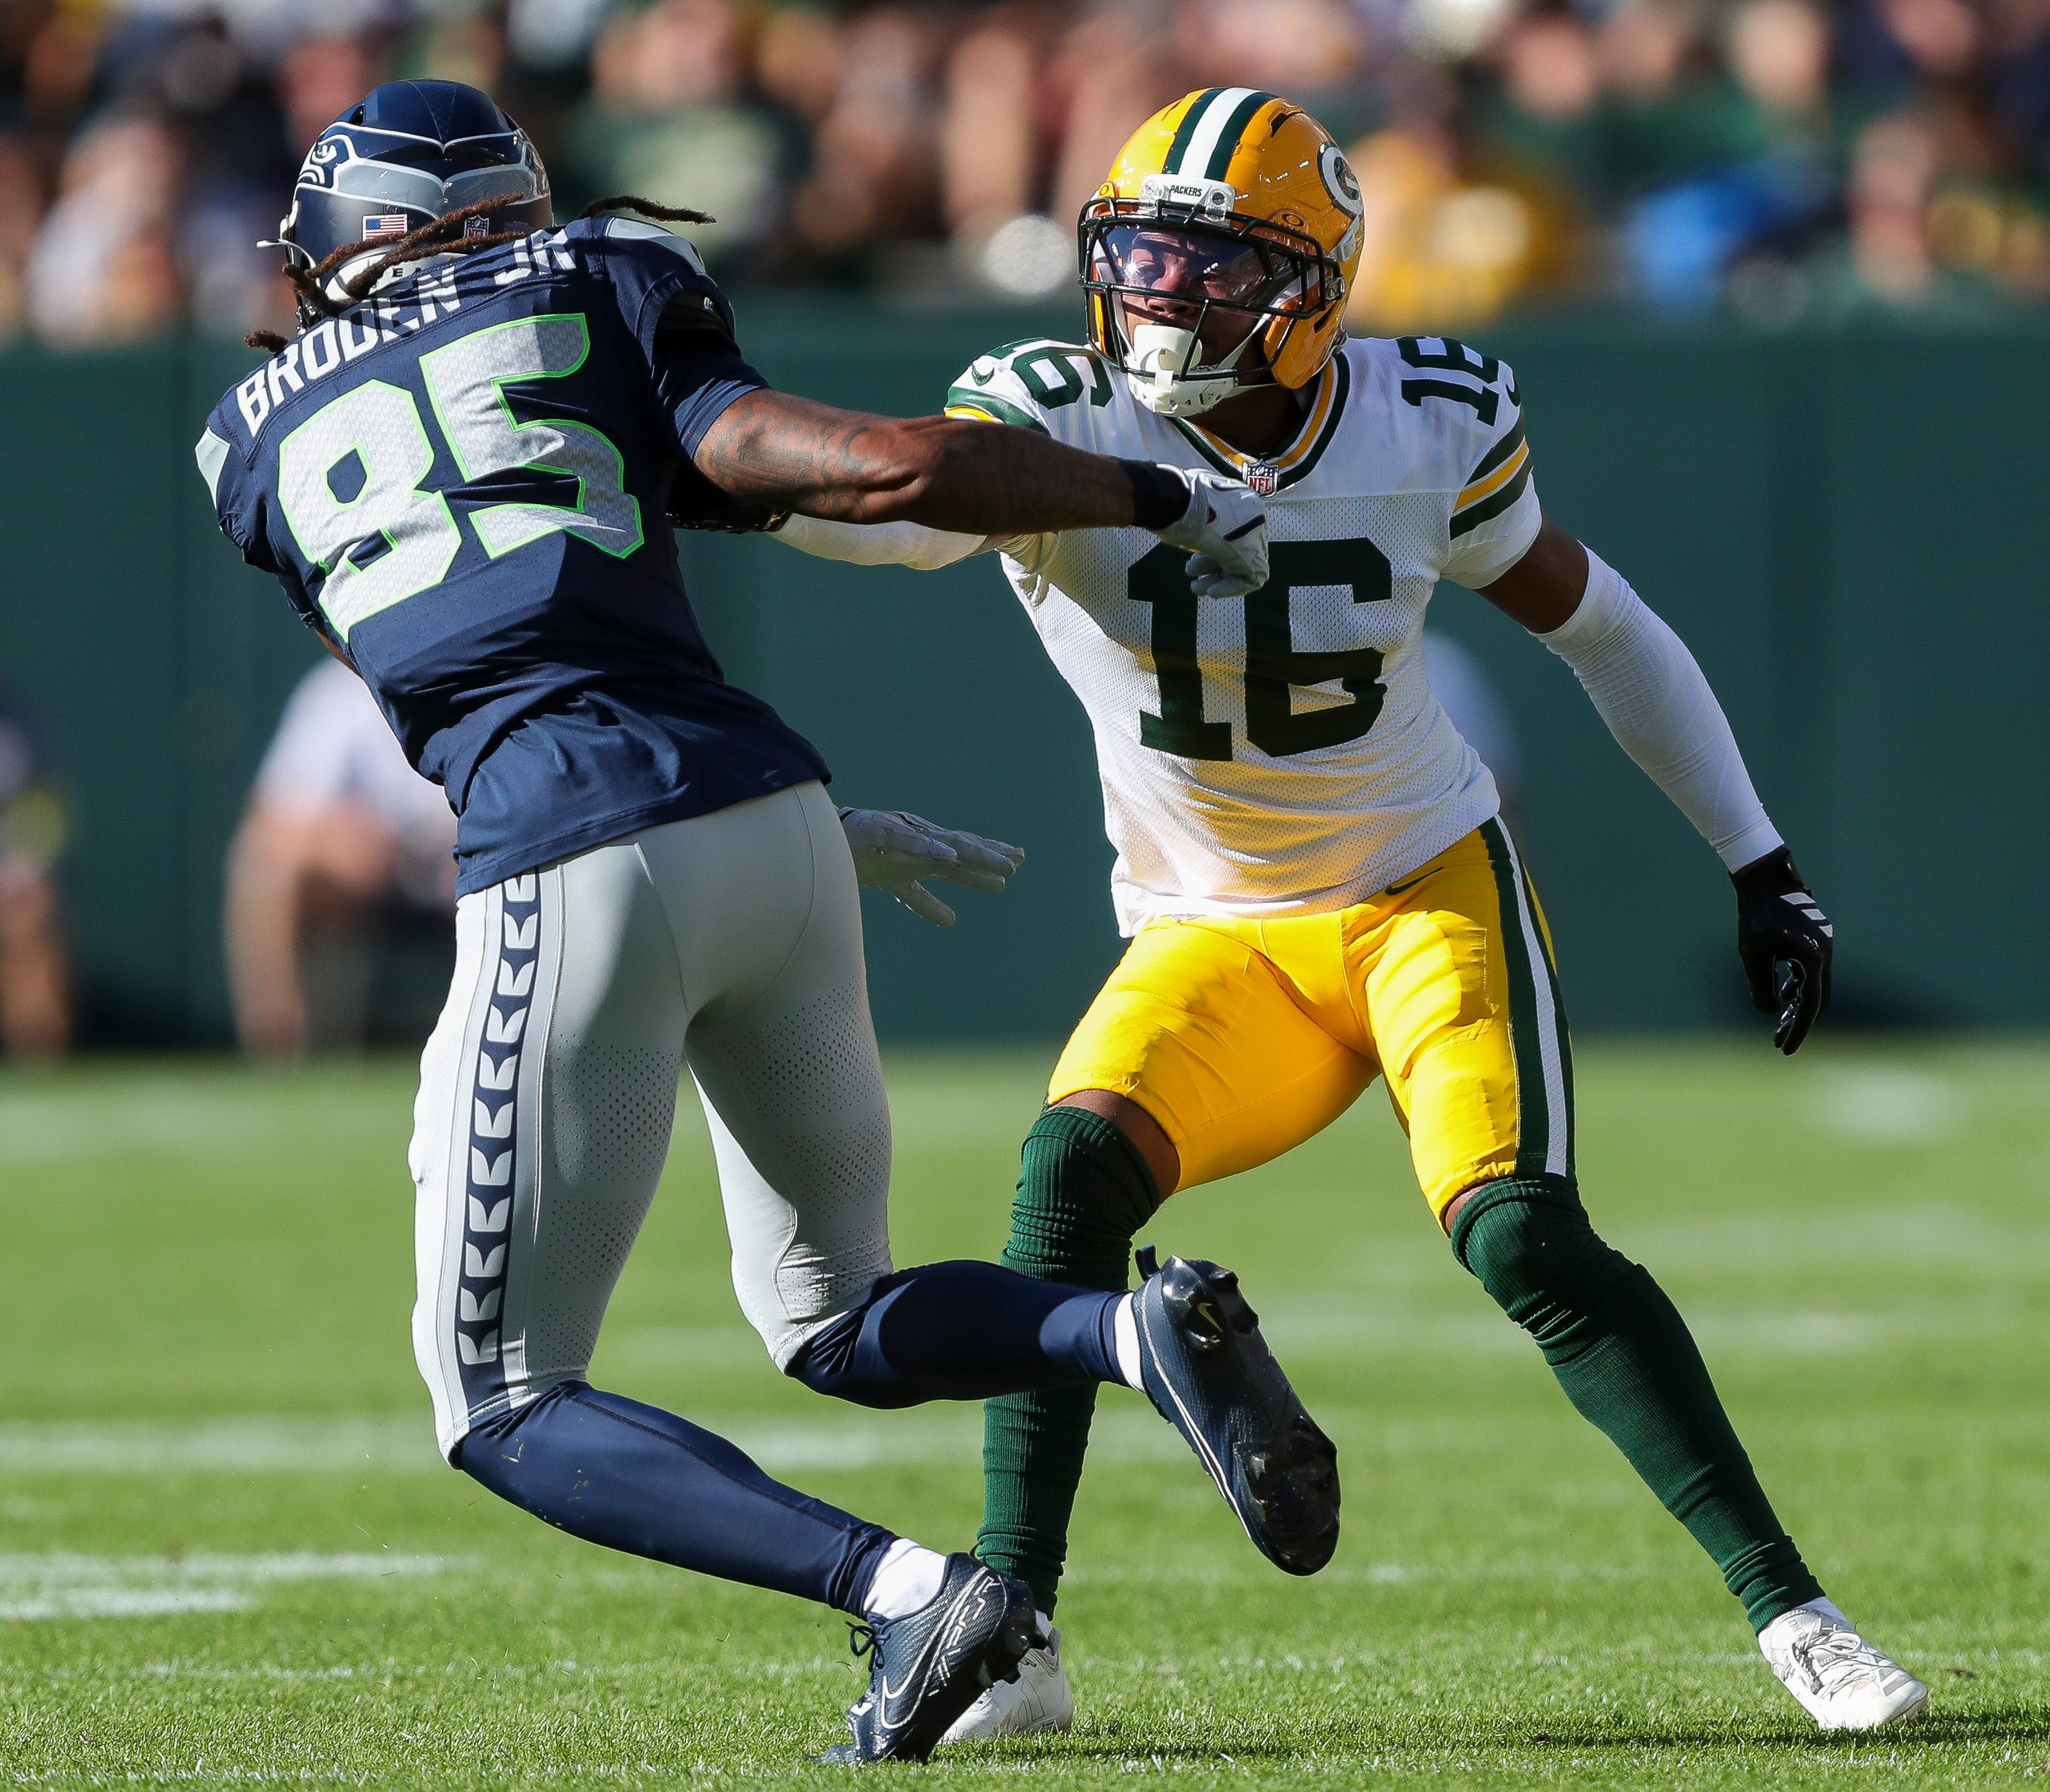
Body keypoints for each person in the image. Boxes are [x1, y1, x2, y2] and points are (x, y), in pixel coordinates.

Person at [190, 79, 1340, 1763]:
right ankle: (1126, 1329)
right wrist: (1155, 496)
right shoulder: (599, 271)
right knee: (833, 1316)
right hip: (764, 814)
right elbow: (858, 472)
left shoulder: (244, 438)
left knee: (505, 1405)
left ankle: (907, 1593)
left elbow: (464, 646)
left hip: (568, 847)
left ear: (346, 248)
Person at [767, 86, 1926, 1738]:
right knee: (1069, 1169)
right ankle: (1011, 1627)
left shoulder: (1422, 415)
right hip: (1210, 928)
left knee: (1522, 1231)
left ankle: (1797, 1613)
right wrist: (700, 467)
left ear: (1313, 291)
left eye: (1208, 264)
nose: (1160, 295)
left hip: (1414, 889)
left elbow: (1603, 627)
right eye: (1141, 255)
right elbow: (866, 522)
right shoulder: (1054, 410)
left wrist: (1756, 857)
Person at [227, 656, 460, 1054]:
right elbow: (272, 821)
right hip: (383, 877)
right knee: (272, 871)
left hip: (475, 864)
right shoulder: (339, 692)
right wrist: (340, 837)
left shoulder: (483, 676)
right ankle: (282, 1049)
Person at [0, 679, 72, 1058]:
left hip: (6, 872)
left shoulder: (14, 716)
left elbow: (44, 803)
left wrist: (22, 863)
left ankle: (38, 1062)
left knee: (25, 909)